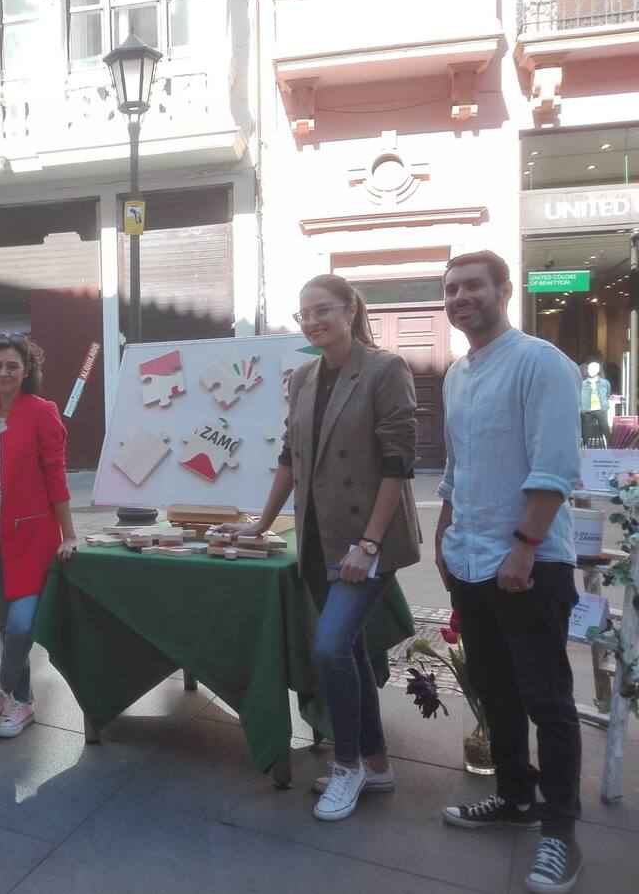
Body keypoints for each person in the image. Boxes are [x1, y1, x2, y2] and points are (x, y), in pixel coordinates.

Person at [218, 274, 421, 822]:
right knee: (347, 648)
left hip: (367, 539)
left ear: (351, 310)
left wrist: (369, 544)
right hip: (316, 536)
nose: (311, 322)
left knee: (331, 647)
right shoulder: (305, 376)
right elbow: (290, 455)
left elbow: (399, 462)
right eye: (304, 313)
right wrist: (262, 523)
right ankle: (376, 763)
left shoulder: (385, 369)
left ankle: (348, 764)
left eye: (322, 310)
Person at [435, 251, 583, 894]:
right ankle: (516, 799)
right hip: (471, 559)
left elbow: (555, 468)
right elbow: (458, 466)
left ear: (504, 290)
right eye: (451, 290)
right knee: (497, 692)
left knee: (548, 700)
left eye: (473, 286)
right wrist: (444, 529)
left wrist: (524, 546)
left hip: (530, 562)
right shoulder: (456, 375)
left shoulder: (540, 363)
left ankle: (560, 833)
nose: (460, 297)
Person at [0, 333, 77, 738]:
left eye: (12, 365)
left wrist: (70, 533)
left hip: (31, 539)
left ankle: (3, 683)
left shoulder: (43, 412)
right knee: (3, 625)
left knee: (21, 626)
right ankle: (24, 702)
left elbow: (56, 475)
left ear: (27, 370)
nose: (4, 373)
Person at [579, 360, 611, 447]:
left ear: (598, 370)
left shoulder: (604, 382)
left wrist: (603, 402)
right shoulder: (583, 384)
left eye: (593, 369)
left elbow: (607, 393)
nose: (591, 371)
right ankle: (585, 447)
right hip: (587, 409)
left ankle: (610, 446)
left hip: (601, 408)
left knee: (605, 428)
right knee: (585, 429)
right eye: (590, 369)